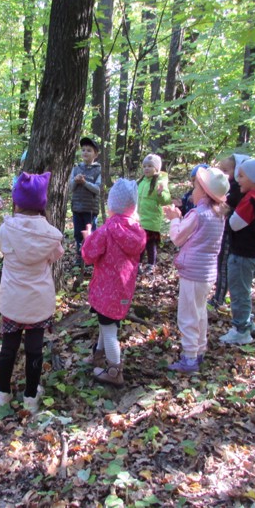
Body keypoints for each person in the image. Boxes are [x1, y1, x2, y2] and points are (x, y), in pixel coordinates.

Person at [0, 172, 64, 413]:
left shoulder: (6, 229)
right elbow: (56, 256)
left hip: (13, 299)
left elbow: (2, 248)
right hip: (38, 300)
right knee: (35, 348)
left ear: (17, 202)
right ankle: (31, 396)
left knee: (8, 348)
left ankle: (3, 393)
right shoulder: (50, 235)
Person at [163, 167, 230, 373]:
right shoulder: (218, 214)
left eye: (195, 187)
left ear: (203, 191)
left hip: (193, 272)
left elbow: (177, 237)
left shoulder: (198, 214)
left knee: (188, 315)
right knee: (199, 312)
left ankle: (189, 358)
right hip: (208, 273)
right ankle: (199, 350)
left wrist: (174, 218)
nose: (192, 191)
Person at [81, 178, 146, 387]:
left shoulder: (107, 230)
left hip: (105, 290)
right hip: (123, 291)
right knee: (106, 324)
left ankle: (114, 370)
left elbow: (88, 255)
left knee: (109, 332)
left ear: (111, 206)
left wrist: (87, 238)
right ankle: (99, 356)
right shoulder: (137, 229)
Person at [219, 157, 255, 345]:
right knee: (244, 289)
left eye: (242, 176)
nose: (238, 180)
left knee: (239, 292)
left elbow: (235, 224)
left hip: (242, 254)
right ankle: (248, 323)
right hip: (254, 253)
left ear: (253, 179)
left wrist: (226, 212)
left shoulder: (250, 200)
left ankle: (240, 329)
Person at [210, 152, 249, 310]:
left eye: (227, 171)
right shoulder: (226, 187)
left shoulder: (237, 190)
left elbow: (231, 210)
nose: (223, 175)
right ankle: (219, 296)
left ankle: (218, 299)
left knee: (224, 266)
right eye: (221, 171)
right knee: (221, 265)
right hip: (223, 232)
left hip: (231, 236)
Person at [68, 137, 102, 263]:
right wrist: (76, 181)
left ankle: (90, 257)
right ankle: (79, 256)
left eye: (89, 150)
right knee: (78, 233)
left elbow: (98, 189)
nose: (85, 153)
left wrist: (84, 182)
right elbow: (70, 188)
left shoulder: (98, 169)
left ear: (95, 154)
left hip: (90, 209)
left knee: (90, 234)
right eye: (83, 150)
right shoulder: (76, 168)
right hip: (77, 207)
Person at [137, 154, 172, 271]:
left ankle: (151, 264)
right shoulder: (141, 182)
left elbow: (166, 200)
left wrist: (160, 193)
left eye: (150, 166)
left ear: (156, 169)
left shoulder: (159, 182)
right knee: (139, 244)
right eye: (144, 166)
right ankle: (138, 264)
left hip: (152, 221)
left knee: (150, 244)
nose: (146, 168)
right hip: (140, 220)